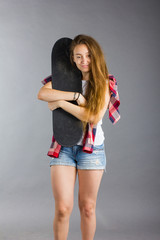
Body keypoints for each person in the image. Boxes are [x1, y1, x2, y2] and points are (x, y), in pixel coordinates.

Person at [37, 34, 120, 240]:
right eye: (79, 56)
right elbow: (42, 94)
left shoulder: (104, 81)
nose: (84, 61)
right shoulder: (64, 78)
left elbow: (92, 116)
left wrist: (61, 103)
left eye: (88, 55)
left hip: (91, 150)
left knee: (87, 208)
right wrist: (75, 97)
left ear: (96, 56)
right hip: (63, 146)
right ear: (72, 59)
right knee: (63, 208)